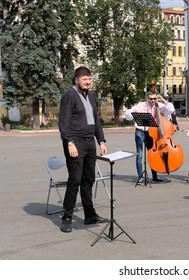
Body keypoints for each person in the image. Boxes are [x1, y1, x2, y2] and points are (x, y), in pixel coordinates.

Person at [58, 66, 108, 233]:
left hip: (89, 144)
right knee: (75, 180)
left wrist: (101, 140)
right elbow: (63, 123)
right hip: (75, 143)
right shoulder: (69, 96)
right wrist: (69, 143)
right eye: (84, 79)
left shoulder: (91, 96)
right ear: (76, 80)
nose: (88, 81)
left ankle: (90, 215)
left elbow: (96, 120)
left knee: (88, 180)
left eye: (89, 78)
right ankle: (66, 218)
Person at [125, 91, 174, 183]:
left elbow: (170, 110)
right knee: (139, 155)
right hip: (140, 131)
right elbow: (128, 115)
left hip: (152, 133)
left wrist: (163, 100)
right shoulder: (141, 105)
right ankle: (140, 177)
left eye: (154, 99)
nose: (152, 101)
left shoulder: (158, 105)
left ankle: (155, 177)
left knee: (153, 154)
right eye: (151, 99)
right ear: (147, 98)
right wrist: (132, 111)